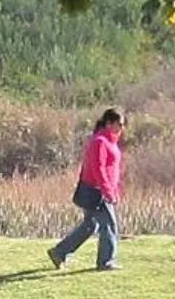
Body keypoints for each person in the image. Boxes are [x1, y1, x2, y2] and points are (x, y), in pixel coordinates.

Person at [50, 109, 125, 272]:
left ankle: (59, 252)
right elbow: (98, 168)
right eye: (119, 124)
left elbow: (111, 169)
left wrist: (114, 189)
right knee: (109, 225)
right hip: (96, 191)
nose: (121, 128)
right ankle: (105, 261)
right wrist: (107, 191)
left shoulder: (109, 141)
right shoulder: (100, 142)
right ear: (109, 123)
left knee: (91, 225)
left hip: (100, 189)